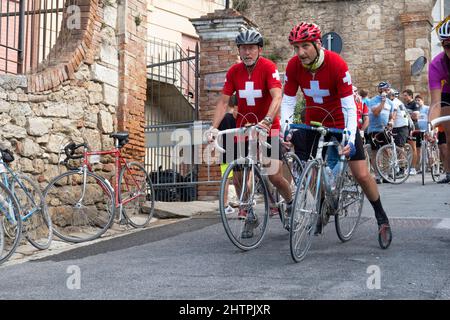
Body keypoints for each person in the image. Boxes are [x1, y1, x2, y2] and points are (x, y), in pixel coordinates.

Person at [280, 22, 392, 248]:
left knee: (361, 174)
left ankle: (381, 216)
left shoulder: (336, 63)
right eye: (296, 47)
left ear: (318, 44)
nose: (300, 52)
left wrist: (350, 138)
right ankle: (322, 205)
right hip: (313, 121)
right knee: (310, 169)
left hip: (341, 123)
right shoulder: (294, 66)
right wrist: (286, 127)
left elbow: (350, 106)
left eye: (305, 46)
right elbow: (289, 100)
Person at [207, 28, 293, 238]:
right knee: (238, 174)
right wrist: (213, 128)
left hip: (267, 126)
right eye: (243, 48)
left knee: (274, 175)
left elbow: (277, 96)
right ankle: (250, 212)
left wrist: (268, 120)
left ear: (259, 50)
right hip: (244, 127)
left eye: (251, 48)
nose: (247, 52)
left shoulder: (268, 67)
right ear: (239, 50)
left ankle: (290, 204)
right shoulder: (234, 72)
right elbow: (224, 101)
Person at [428, 15, 450, 183]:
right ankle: (449, 172)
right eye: (448, 45)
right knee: (449, 133)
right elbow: (436, 102)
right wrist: (431, 126)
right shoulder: (437, 64)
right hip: (447, 93)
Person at [367, 82, 395, 183]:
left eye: (387, 90)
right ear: (379, 90)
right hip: (374, 129)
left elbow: (391, 116)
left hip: (385, 129)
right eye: (383, 90)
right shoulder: (373, 100)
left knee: (387, 151)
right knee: (375, 153)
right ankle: (378, 175)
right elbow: (376, 112)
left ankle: (386, 174)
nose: (386, 92)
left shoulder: (390, 103)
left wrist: (391, 121)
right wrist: (382, 102)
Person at [402, 89, 420, 175]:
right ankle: (408, 166)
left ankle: (413, 168)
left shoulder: (415, 104)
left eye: (405, 95)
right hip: (406, 127)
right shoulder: (405, 105)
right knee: (407, 148)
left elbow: (416, 116)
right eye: (403, 95)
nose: (404, 97)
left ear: (410, 96)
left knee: (413, 148)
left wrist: (407, 115)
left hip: (413, 127)